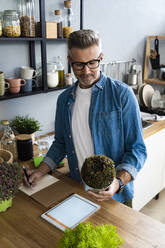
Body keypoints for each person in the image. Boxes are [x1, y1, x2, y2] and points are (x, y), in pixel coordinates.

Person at [25, 29, 147, 207]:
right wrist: (40, 171)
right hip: (77, 188)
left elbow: (137, 149)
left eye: (92, 63)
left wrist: (117, 182)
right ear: (69, 61)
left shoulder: (122, 95)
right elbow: (60, 143)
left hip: (115, 195)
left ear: (101, 58)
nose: (86, 71)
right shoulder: (64, 100)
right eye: (79, 65)